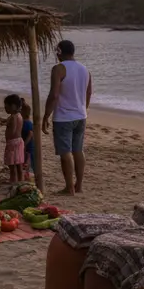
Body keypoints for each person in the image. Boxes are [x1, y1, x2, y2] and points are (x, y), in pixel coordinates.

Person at [42, 40, 91, 195]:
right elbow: (88, 93)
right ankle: (79, 185)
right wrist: (83, 108)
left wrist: (46, 115)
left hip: (64, 117)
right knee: (78, 150)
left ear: (59, 52)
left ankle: (69, 187)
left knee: (65, 152)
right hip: (81, 115)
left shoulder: (59, 69)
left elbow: (54, 94)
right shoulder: (85, 69)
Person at [2, 94, 27, 184]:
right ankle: (21, 182)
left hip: (12, 143)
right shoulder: (19, 115)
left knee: (12, 166)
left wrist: (6, 126)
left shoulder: (12, 117)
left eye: (6, 107)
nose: (5, 109)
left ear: (12, 106)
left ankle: (13, 182)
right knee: (19, 165)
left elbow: (12, 130)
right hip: (19, 141)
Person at [20, 101, 35, 183]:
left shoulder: (27, 123)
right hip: (26, 145)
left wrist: (24, 143)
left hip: (28, 146)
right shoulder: (24, 122)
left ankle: (28, 175)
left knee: (28, 160)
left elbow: (30, 134)